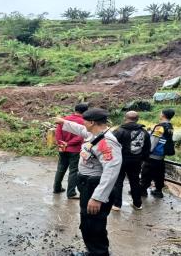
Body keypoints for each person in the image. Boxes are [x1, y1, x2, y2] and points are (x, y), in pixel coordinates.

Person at [55, 108, 122, 256]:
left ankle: (99, 253)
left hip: (95, 187)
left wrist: (98, 197)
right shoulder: (94, 134)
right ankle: (94, 252)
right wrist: (64, 122)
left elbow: (111, 171)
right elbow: (80, 129)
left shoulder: (107, 142)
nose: (82, 123)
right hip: (87, 184)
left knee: (94, 224)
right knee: (87, 221)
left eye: (85, 121)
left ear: (92, 122)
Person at [111, 111, 150, 211]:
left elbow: (111, 145)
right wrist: (143, 160)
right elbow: (147, 148)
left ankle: (116, 205)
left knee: (118, 181)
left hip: (120, 160)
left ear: (125, 118)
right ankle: (137, 204)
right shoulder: (144, 132)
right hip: (136, 161)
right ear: (137, 119)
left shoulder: (119, 131)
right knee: (135, 181)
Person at [53, 103, 89, 198]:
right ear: (85, 112)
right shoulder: (83, 122)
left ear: (75, 109)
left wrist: (61, 144)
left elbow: (58, 133)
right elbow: (81, 136)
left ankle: (56, 188)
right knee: (73, 171)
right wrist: (68, 144)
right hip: (75, 150)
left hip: (62, 148)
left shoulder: (64, 120)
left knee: (60, 168)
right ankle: (71, 193)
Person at [140, 109, 175, 199]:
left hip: (153, 155)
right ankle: (158, 191)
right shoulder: (170, 126)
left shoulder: (160, 127)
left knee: (146, 173)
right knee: (159, 174)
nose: (159, 114)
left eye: (160, 113)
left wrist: (147, 152)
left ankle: (142, 190)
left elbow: (154, 141)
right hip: (161, 155)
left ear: (163, 115)